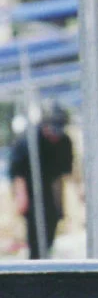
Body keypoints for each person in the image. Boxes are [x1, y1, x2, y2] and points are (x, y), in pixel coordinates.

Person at [9, 103, 73, 259]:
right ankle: (35, 261)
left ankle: (44, 257)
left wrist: (59, 204)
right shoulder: (27, 140)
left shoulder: (64, 143)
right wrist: (21, 198)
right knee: (35, 231)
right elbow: (17, 173)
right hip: (30, 188)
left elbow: (60, 177)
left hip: (49, 189)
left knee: (52, 224)